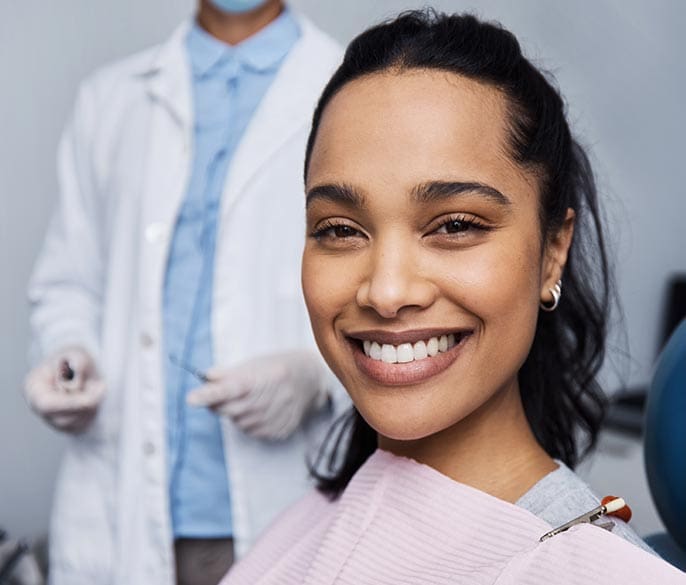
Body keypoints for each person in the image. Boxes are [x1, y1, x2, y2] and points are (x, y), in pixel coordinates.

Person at [222, 10, 686, 584]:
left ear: (552, 252)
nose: (387, 292)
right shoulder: (303, 525)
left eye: (456, 225)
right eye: (340, 229)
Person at [23, 1, 346, 584]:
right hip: (117, 506)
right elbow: (69, 280)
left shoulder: (347, 89)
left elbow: (383, 283)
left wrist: (317, 376)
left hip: (274, 507)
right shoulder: (112, 98)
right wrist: (71, 352)